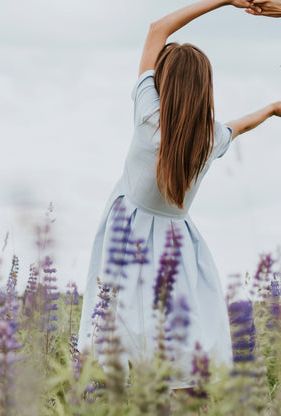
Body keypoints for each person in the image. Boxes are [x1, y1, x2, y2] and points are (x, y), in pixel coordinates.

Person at [78, 0, 281, 391]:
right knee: (182, 336)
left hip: (127, 237)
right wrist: (273, 108)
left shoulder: (147, 120)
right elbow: (239, 126)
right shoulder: (207, 139)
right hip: (179, 246)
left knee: (118, 329)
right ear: (205, 91)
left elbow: (157, 28)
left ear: (161, 85)